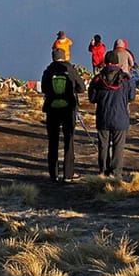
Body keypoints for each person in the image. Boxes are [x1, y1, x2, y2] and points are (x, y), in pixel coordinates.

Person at [88, 50, 136, 178]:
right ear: (118, 63)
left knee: (103, 146)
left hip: (103, 117)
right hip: (120, 117)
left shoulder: (98, 79)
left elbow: (92, 98)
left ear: (105, 62)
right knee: (118, 147)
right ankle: (116, 174)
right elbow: (131, 97)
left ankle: (103, 172)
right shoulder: (126, 79)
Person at [41, 48, 86, 182]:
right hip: (68, 108)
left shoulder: (48, 71)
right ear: (64, 56)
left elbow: (44, 88)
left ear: (53, 57)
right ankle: (68, 174)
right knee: (69, 141)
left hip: (52, 109)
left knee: (53, 142)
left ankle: (53, 174)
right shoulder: (71, 69)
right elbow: (82, 88)